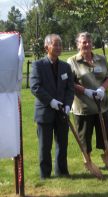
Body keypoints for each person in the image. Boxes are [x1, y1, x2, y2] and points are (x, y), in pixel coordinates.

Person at [67, 32, 108, 168]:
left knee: (106, 134)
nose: (87, 44)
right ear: (78, 44)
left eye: (89, 42)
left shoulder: (101, 59)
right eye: (83, 42)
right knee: (85, 138)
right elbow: (70, 82)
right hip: (83, 108)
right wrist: (85, 91)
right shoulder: (72, 61)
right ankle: (87, 161)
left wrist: (102, 89)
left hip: (102, 105)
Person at [30, 34, 74, 179]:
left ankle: (62, 172)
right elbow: (35, 87)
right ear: (46, 47)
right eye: (55, 44)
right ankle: (45, 175)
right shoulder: (38, 65)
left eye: (60, 44)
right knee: (45, 146)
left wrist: (68, 105)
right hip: (45, 112)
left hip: (62, 112)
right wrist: (52, 102)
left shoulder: (66, 67)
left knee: (62, 145)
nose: (59, 47)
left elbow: (70, 89)